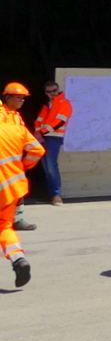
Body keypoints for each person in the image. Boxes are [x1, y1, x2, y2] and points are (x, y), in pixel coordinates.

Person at [0, 104, 44, 287]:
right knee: (4, 226)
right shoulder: (18, 129)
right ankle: (18, 259)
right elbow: (38, 150)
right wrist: (24, 166)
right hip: (10, 187)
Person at [1, 84, 36, 232]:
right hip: (4, 160)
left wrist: (24, 164)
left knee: (18, 190)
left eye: (23, 98)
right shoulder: (2, 114)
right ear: (8, 97)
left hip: (14, 161)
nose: (22, 101)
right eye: (18, 98)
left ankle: (18, 219)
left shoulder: (17, 116)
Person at [34, 80, 71, 206]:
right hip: (43, 138)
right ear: (45, 92)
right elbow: (38, 121)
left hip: (54, 138)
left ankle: (57, 195)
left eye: (54, 90)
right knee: (46, 168)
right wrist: (38, 133)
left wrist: (41, 132)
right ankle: (52, 195)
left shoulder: (64, 103)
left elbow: (59, 121)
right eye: (49, 91)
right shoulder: (46, 105)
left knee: (51, 167)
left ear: (58, 89)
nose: (52, 93)